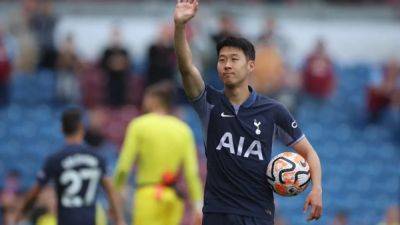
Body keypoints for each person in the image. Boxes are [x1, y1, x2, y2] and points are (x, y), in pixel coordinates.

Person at [173, 1, 323, 225]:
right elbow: (186, 68)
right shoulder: (209, 103)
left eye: (234, 59)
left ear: (251, 66)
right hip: (217, 213)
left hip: (257, 215)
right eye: (222, 60)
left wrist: (317, 189)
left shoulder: (274, 111)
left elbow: (309, 153)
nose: (227, 65)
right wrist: (179, 26)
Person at [14, 109, 126, 225]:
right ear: (82, 128)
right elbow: (110, 189)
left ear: (61, 129)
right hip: (89, 221)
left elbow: (35, 191)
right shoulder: (97, 157)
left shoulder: (55, 159)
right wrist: (119, 219)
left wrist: (21, 213)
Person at [113, 81, 203, 225]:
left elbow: (123, 167)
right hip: (173, 199)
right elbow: (192, 173)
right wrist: (198, 205)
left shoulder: (139, 125)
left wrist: (115, 194)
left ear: (153, 100)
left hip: (147, 197)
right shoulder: (184, 130)